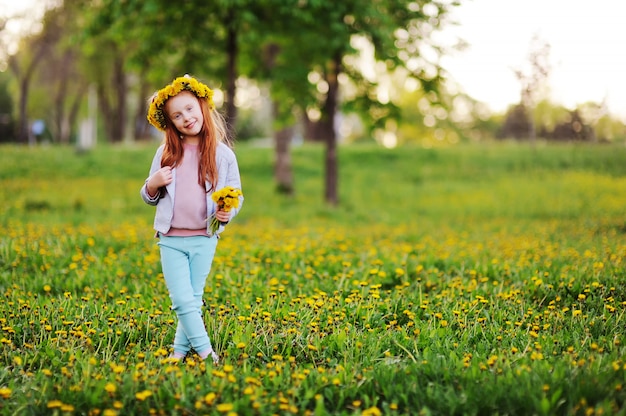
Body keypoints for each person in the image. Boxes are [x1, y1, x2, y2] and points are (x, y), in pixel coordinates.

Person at [140, 75, 243, 364]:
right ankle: (207, 354)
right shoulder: (166, 153)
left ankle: (178, 352)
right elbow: (148, 196)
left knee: (193, 299)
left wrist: (227, 211)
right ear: (170, 123)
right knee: (182, 300)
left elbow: (237, 194)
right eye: (177, 115)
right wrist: (153, 182)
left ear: (202, 106)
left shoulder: (222, 155)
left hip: (204, 238)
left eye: (189, 109)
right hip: (171, 239)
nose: (185, 118)